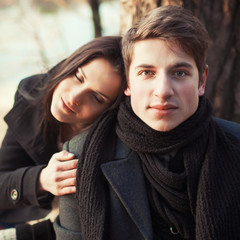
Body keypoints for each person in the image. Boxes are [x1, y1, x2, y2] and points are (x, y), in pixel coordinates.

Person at [54, 5, 240, 240]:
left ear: (202, 81)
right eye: (147, 73)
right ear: (128, 84)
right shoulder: (81, 157)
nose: (162, 91)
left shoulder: (236, 145)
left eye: (180, 73)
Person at [0, 36, 126, 239]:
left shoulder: (114, 142)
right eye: (78, 77)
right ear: (71, 64)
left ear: (109, 110)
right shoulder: (33, 93)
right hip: (17, 214)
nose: (74, 97)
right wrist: (42, 179)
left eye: (96, 97)